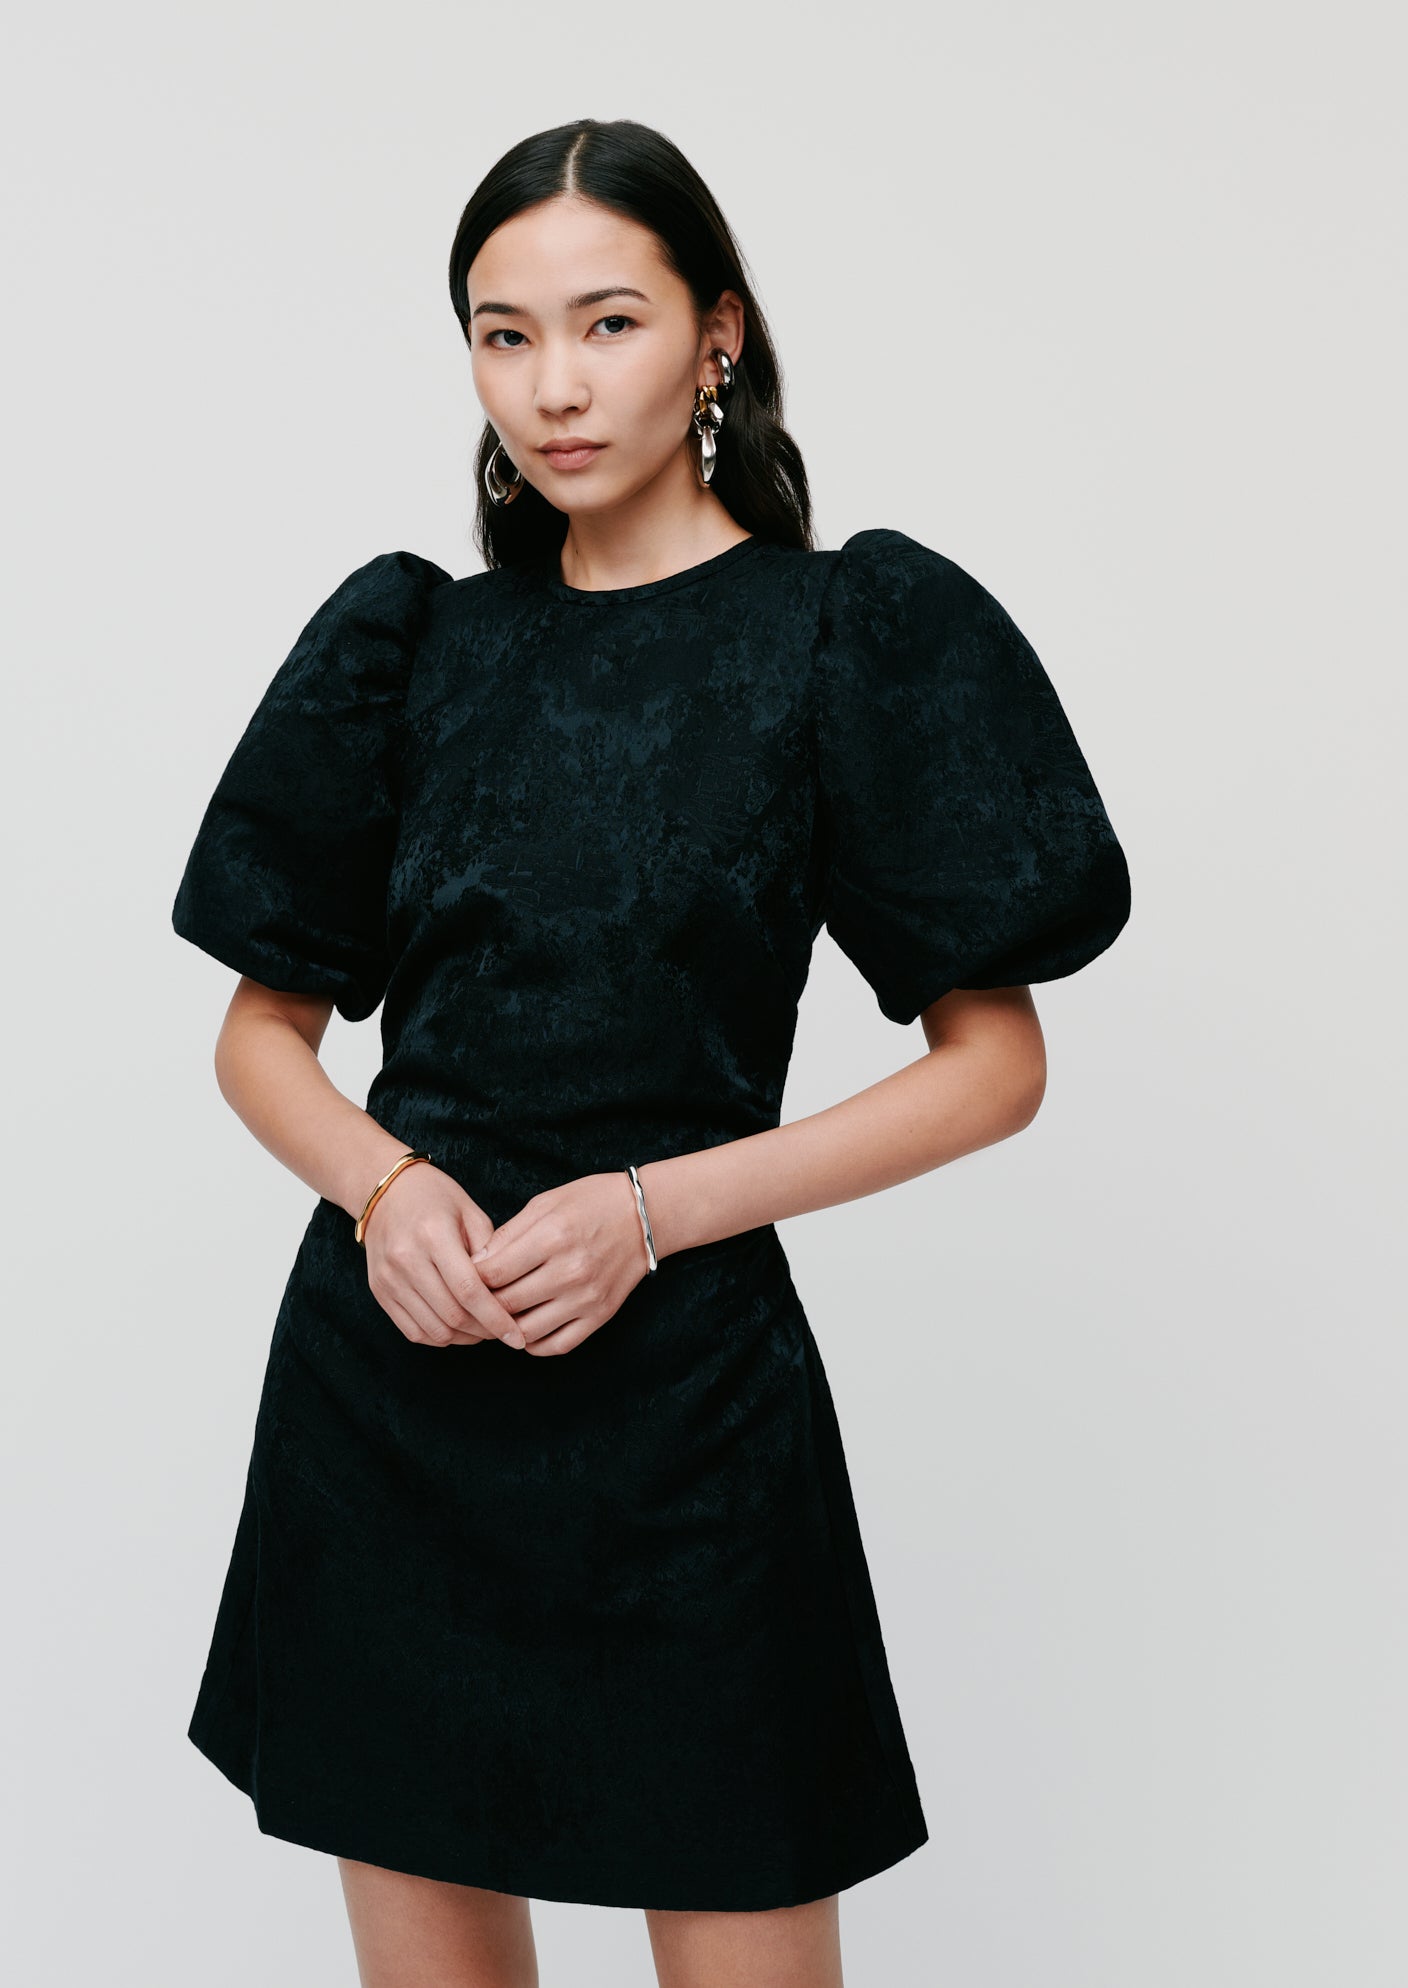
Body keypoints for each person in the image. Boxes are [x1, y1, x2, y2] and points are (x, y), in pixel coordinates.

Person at [171, 117, 1132, 1988]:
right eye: (504, 333)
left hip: (689, 1413)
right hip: (395, 1402)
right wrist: (384, 1190)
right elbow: (260, 1036)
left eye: (607, 322)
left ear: (717, 336)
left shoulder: (841, 635)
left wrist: (649, 1211)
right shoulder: (409, 644)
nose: (553, 384)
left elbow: (995, 1062)